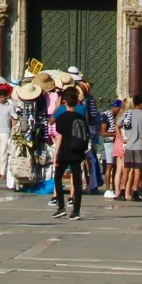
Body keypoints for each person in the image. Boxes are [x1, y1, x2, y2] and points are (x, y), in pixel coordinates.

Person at [49, 84, 92, 219]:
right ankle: (76, 211)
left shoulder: (61, 117)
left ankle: (61, 207)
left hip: (64, 151)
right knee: (77, 181)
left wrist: (55, 156)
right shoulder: (81, 116)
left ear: (65, 101)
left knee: (57, 178)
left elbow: (60, 137)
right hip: (78, 151)